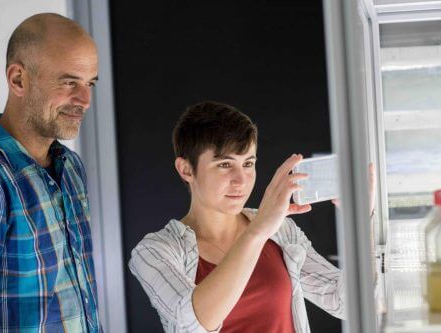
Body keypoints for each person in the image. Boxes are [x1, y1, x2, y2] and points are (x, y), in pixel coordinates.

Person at [129, 101, 375, 332]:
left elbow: (346, 302)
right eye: (225, 165)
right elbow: (193, 323)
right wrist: (257, 231)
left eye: (248, 164)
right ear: (186, 169)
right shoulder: (154, 251)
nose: (241, 180)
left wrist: (364, 223)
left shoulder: (280, 231)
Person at [0, 13, 101, 332]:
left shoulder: (70, 168)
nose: (84, 100)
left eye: (90, 84)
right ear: (18, 79)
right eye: (69, 82)